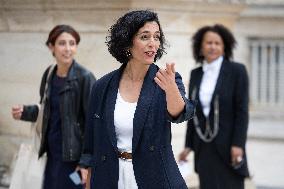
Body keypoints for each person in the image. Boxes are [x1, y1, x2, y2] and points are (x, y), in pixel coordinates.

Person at [78, 10, 195, 189]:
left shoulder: (167, 79)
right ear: (127, 42)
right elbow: (91, 139)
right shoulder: (102, 86)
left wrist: (171, 89)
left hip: (154, 176)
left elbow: (181, 114)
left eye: (156, 37)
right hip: (110, 176)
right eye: (144, 37)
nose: (152, 44)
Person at [11, 25, 96, 189]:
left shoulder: (85, 78)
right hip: (51, 156)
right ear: (51, 46)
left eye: (72, 43)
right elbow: (47, 109)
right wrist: (26, 112)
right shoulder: (49, 74)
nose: (68, 49)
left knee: (75, 186)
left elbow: (94, 123)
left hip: (73, 161)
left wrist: (85, 163)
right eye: (62, 43)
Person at [178, 24, 250, 189]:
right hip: (204, 147)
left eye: (217, 43)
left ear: (224, 47)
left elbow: (242, 111)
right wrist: (188, 146)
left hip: (229, 147)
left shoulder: (237, 71)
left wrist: (238, 144)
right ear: (201, 47)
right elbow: (193, 111)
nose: (213, 46)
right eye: (208, 43)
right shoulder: (196, 74)